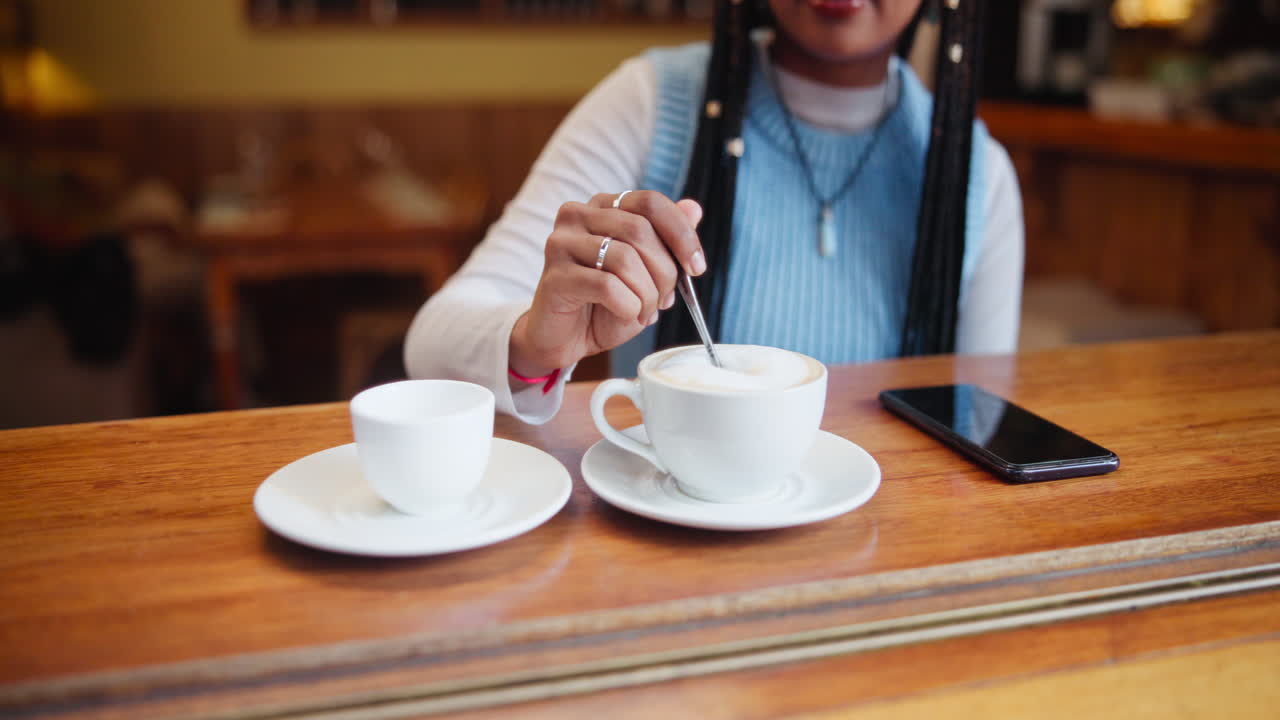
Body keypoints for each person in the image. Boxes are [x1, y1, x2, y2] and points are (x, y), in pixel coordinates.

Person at [405, 0, 1023, 424]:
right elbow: (431, 342)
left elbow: (979, 424)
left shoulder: (978, 175)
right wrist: (534, 345)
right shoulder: (651, 102)